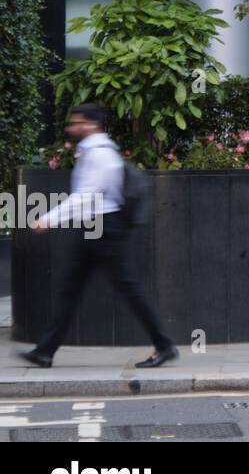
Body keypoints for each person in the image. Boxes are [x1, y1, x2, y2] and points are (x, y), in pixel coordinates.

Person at [18, 103, 177, 369]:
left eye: (76, 122)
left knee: (129, 290)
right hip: (95, 228)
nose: (71, 127)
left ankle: (164, 345)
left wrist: (48, 219)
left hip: (105, 229)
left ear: (91, 125)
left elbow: (86, 196)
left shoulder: (100, 154)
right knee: (71, 290)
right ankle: (44, 352)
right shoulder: (92, 151)